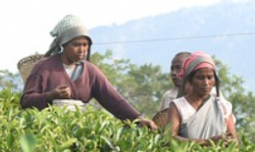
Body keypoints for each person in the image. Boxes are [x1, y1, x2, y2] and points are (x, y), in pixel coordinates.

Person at [20, 15, 157, 129]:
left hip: (80, 129)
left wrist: (138, 119)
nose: (81, 50)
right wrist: (50, 96)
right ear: (64, 45)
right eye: (76, 45)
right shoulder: (44, 67)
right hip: (48, 129)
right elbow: (26, 101)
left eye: (85, 45)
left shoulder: (91, 72)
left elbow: (114, 100)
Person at [167, 52, 238, 145]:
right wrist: (206, 142)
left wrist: (227, 142)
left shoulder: (223, 107)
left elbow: (234, 141)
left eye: (210, 77)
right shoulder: (178, 106)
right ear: (190, 80)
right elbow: (169, 139)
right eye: (200, 78)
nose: (206, 83)